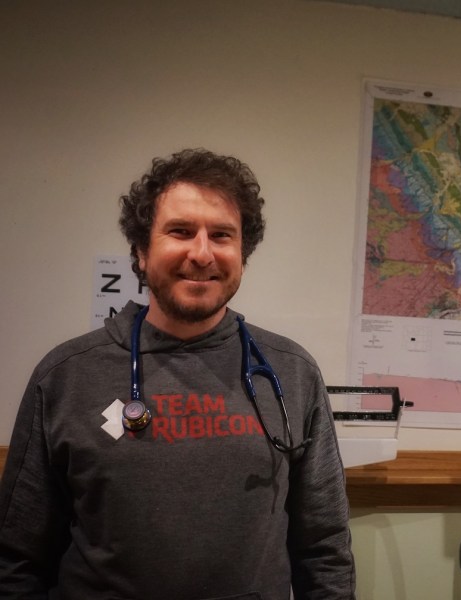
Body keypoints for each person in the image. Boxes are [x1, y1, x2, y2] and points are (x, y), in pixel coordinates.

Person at [0, 149, 356, 599]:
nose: (202, 253)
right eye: (181, 231)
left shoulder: (292, 373)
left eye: (222, 235)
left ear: (242, 254)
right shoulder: (65, 376)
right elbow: (16, 558)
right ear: (141, 251)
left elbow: (324, 549)